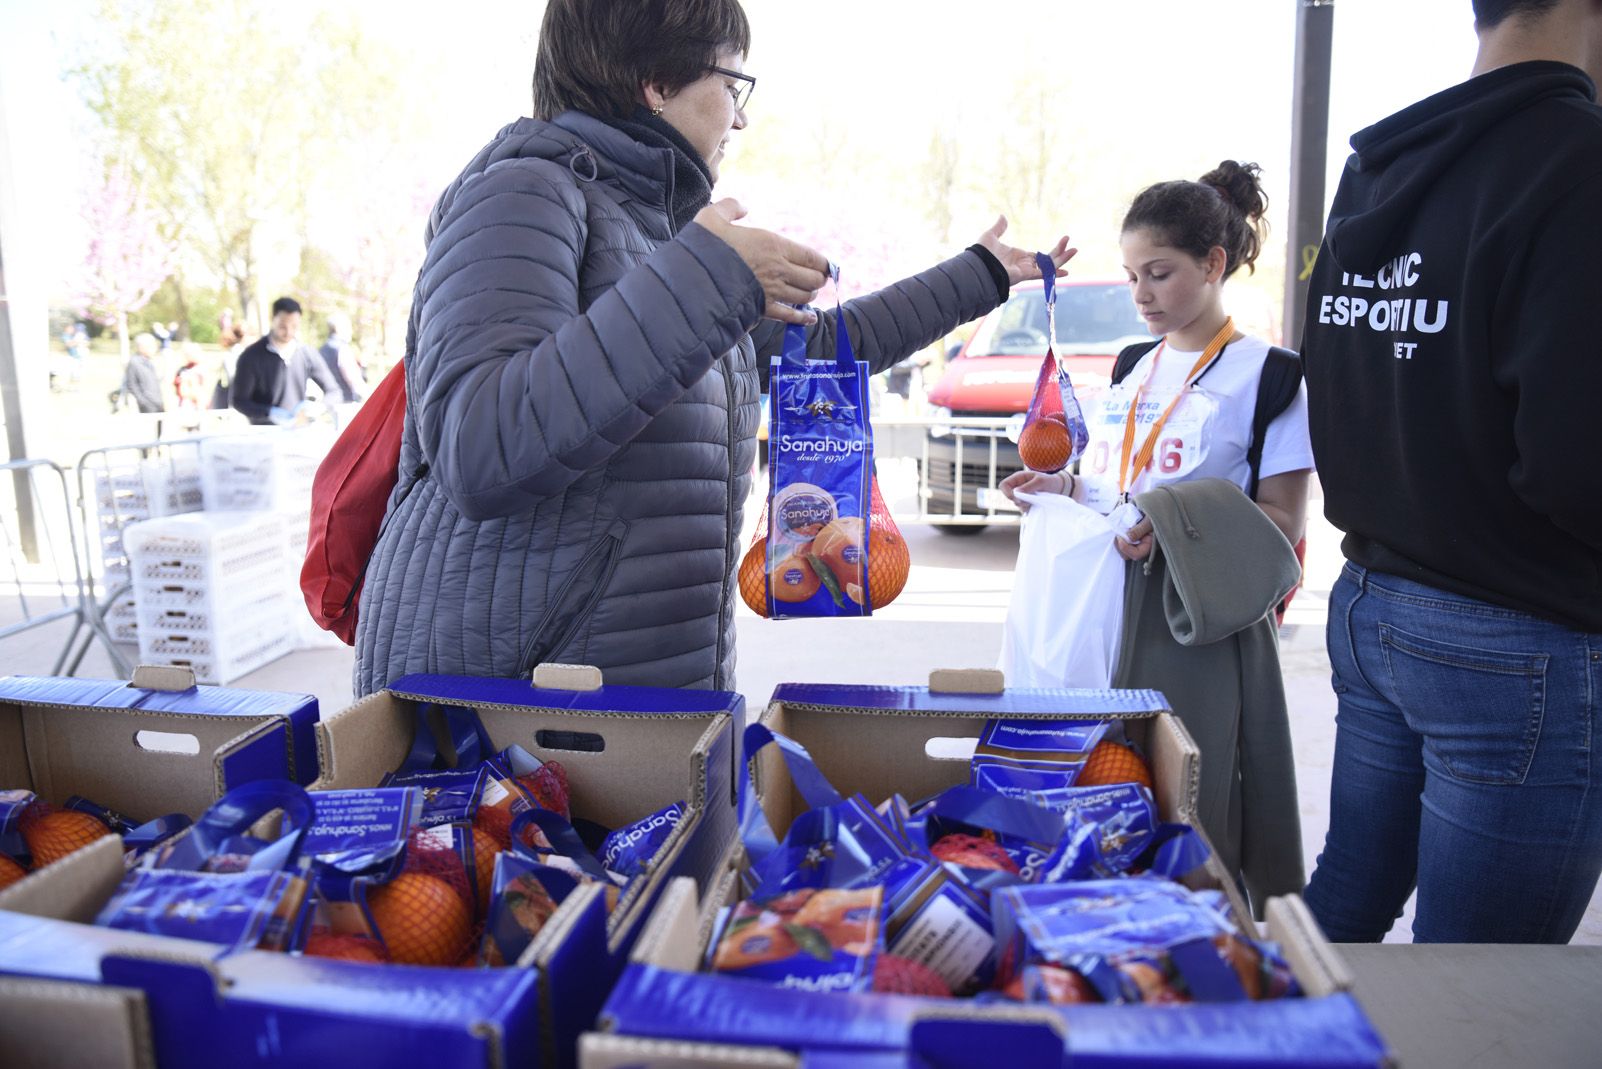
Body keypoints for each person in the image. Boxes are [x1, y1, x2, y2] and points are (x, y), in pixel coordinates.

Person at [353, 0, 1072, 697]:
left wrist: (975, 276)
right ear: (658, 83)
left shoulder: (659, 238)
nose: (742, 115)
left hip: (627, 689)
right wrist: (708, 276)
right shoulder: (520, 193)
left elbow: (816, 350)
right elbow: (481, 442)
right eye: (732, 84)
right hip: (508, 700)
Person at [1299, 0, 1602, 944]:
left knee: (1345, 906)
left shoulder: (1384, 164)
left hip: (1373, 601)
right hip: (1518, 639)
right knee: (1484, 987)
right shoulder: (1577, 164)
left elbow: (1339, 382)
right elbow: (1576, 458)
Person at [1000, 162, 1313, 911]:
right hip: (1099, 615)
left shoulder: (1271, 377)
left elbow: (1283, 525)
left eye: (1159, 273)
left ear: (1214, 265)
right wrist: (1067, 487)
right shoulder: (1133, 365)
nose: (1140, 294)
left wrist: (1171, 524)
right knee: (1093, 790)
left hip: (1192, 631)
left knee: (1184, 818)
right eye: (1132, 274)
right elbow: (1119, 489)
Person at [231, 296, 341, 425]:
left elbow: (334, 391)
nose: (289, 332)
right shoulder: (251, 356)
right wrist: (269, 412)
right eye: (283, 326)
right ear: (273, 320)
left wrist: (319, 407)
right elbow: (239, 401)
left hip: (297, 430)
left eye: (294, 326)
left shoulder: (306, 353)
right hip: (264, 431)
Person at [318, 312, 364, 403]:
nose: (351, 331)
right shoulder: (342, 349)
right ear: (338, 328)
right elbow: (352, 378)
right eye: (348, 327)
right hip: (345, 401)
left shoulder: (322, 349)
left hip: (329, 401)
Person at [117, 332, 166, 414]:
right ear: (142, 347)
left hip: (157, 402)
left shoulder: (149, 362)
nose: (155, 349)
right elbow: (132, 385)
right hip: (147, 405)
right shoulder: (134, 362)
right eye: (151, 346)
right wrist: (144, 402)